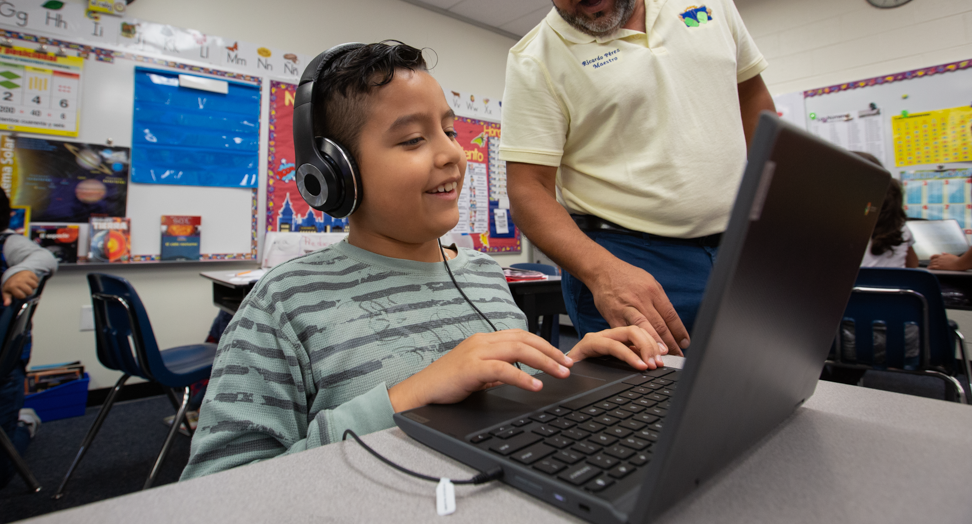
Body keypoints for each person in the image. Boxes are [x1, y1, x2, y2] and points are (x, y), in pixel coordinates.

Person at [181, 42, 662, 480]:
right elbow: (215, 488)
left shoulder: (483, 276)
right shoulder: (284, 303)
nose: (452, 152)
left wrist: (569, 371)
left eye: (450, 131)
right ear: (335, 174)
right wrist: (409, 397)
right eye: (412, 140)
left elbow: (508, 396)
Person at [499, 0, 776, 351]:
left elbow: (753, 99)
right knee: (643, 417)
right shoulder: (535, 59)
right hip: (626, 261)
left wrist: (779, 211)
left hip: (741, 246)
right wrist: (602, 272)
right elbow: (529, 190)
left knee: (759, 393)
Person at [0, 187, 58, 489]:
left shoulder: (9, 243)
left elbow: (43, 258)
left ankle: (25, 423)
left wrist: (13, 273)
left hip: (5, 367)